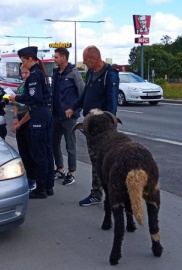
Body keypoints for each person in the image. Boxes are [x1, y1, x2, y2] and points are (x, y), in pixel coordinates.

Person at [65, 45, 119, 206]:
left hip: (104, 125)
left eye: (86, 59)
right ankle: (97, 193)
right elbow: (85, 95)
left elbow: (113, 100)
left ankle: (106, 195)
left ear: (95, 59)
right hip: (90, 124)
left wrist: (109, 123)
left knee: (105, 160)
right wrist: (73, 107)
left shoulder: (110, 74)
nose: (84, 63)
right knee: (95, 160)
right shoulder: (90, 73)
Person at [8, 46, 53, 199]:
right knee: (47, 151)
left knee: (39, 152)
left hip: (38, 114)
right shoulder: (40, 74)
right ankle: (48, 186)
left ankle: (41, 189)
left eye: (23, 61)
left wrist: (16, 98)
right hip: (45, 113)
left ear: (29, 59)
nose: (23, 65)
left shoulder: (34, 75)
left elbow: (34, 98)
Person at [51, 47, 85, 186]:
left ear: (64, 57)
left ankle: (71, 173)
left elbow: (83, 92)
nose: (54, 59)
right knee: (54, 143)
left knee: (70, 145)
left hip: (69, 116)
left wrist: (74, 109)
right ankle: (60, 169)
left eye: (56, 57)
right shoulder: (56, 73)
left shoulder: (73, 73)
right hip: (55, 114)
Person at [11, 65, 37, 192]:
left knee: (31, 151)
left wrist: (20, 123)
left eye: (27, 72)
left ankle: (34, 178)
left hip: (28, 121)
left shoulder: (32, 88)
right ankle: (27, 175)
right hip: (19, 120)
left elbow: (31, 109)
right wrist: (15, 117)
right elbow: (16, 103)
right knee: (23, 150)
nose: (25, 75)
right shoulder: (21, 87)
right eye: (23, 73)